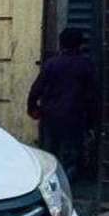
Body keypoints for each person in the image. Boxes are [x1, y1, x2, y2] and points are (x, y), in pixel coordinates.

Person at [27, 27, 99, 181]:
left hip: (50, 116)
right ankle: (66, 189)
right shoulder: (86, 65)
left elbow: (36, 89)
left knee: (49, 157)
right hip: (75, 118)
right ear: (80, 45)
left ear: (61, 44)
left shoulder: (51, 64)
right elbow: (92, 97)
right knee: (70, 159)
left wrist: (33, 108)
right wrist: (92, 123)